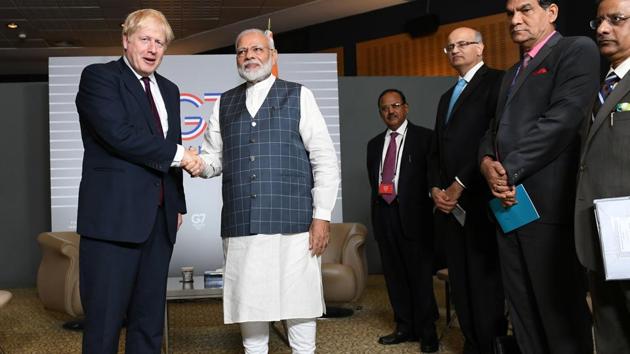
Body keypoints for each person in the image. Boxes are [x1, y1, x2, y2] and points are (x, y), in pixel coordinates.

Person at [191, 28, 340, 354]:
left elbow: (324, 159)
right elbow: (214, 160)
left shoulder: (299, 95)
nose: (249, 56)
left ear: (273, 55)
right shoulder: (223, 103)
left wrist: (322, 216)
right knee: (252, 316)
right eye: (242, 51)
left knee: (300, 313)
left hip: (295, 226)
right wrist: (196, 164)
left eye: (257, 49)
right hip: (243, 226)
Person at [75, 8, 202, 354]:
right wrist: (182, 155)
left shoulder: (170, 90)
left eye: (159, 42)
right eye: (145, 39)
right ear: (126, 40)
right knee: (104, 325)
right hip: (112, 223)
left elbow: (166, 155)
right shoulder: (99, 78)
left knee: (148, 325)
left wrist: (176, 203)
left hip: (159, 223)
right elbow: (120, 136)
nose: (152, 48)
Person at [478, 1, 599, 353]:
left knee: (558, 312)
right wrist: (487, 163)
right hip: (508, 208)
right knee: (523, 311)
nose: (515, 19)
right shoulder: (511, 73)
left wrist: (508, 171)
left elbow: (561, 121)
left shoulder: (576, 50)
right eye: (510, 13)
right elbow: (492, 129)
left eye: (526, 9)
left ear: (553, 12)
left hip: (549, 208)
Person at [428, 27, 506, 354]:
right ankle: (472, 342)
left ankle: (490, 344)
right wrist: (435, 187)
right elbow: (436, 148)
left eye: (462, 44)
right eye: (450, 47)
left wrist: (459, 185)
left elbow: (491, 139)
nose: (455, 50)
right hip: (449, 206)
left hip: (479, 200)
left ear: (480, 48)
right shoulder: (447, 96)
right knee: (460, 280)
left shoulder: (498, 82)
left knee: (484, 281)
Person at [575, 0, 630, 352]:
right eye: (599, 21)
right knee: (610, 331)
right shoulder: (600, 86)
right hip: (598, 235)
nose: (603, 28)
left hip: (627, 235)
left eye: (616, 19)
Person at [366, 89, 439, 353]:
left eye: (395, 106)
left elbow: (433, 178)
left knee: (419, 275)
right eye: (385, 108)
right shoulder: (374, 145)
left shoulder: (425, 138)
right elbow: (373, 184)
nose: (391, 111)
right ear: (380, 112)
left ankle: (427, 329)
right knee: (394, 275)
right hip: (385, 216)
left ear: (406, 108)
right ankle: (404, 326)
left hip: (414, 217)